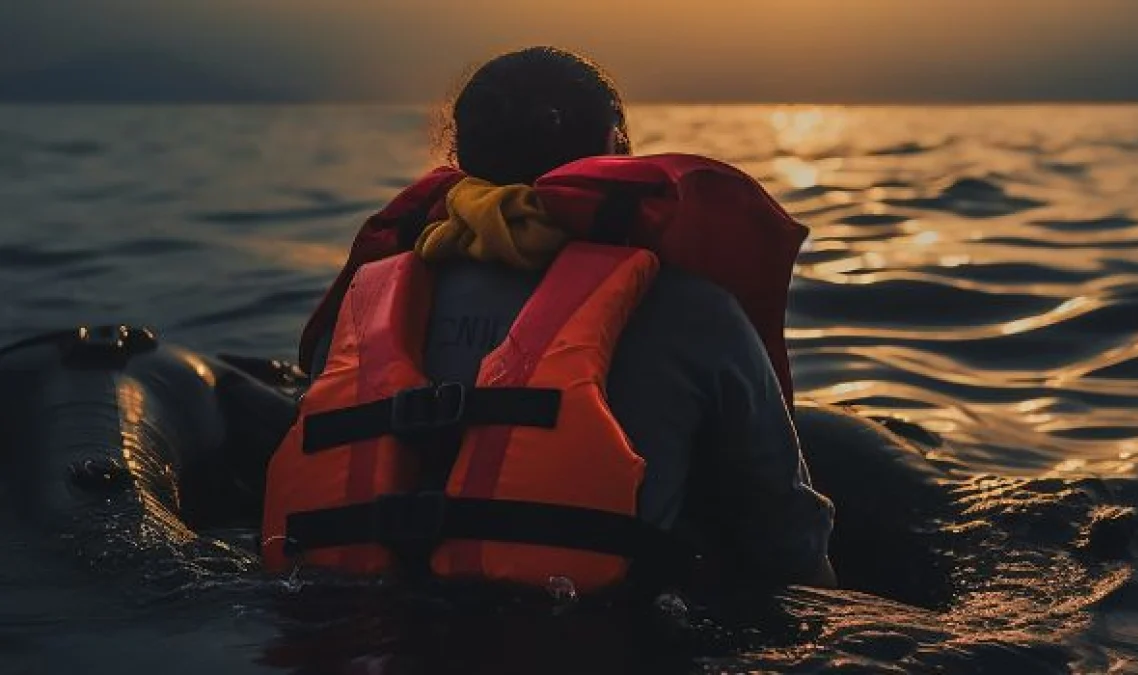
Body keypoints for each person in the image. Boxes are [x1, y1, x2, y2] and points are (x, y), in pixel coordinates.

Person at [261, 46, 835, 593]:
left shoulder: (362, 307)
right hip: (597, 632)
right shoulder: (694, 311)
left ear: (460, 157)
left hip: (351, 627)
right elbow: (786, 540)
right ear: (613, 147)